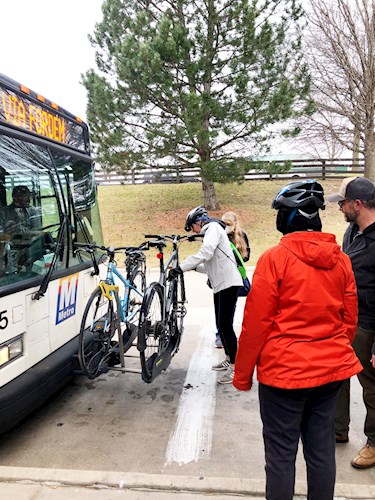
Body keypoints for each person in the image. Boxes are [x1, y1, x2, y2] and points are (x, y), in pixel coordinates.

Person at [233, 179, 362, 500]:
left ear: (287, 219)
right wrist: (332, 350)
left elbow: (255, 324)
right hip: (328, 374)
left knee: (280, 456)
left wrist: (242, 374)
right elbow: (350, 318)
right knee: (321, 452)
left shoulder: (274, 259)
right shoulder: (341, 259)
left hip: (284, 376)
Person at [327, 177, 375, 469]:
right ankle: (336, 429)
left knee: (371, 386)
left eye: (342, 203)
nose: (340, 208)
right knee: (337, 374)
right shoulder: (351, 231)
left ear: (357, 204)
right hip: (345, 319)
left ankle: (374, 441)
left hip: (369, 324)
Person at [168, 206, 242, 384]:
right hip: (221, 285)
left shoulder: (213, 229)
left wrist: (181, 267)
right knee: (221, 325)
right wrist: (190, 267)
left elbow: (206, 253)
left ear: (199, 222)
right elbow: (209, 265)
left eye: (192, 227)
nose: (193, 232)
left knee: (226, 325)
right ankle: (228, 358)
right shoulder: (213, 232)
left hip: (228, 284)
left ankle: (236, 367)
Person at [214, 211, 250, 348]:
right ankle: (220, 333)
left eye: (228, 224)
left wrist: (234, 258)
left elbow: (247, 256)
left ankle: (225, 336)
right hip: (220, 277)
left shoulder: (242, 235)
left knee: (227, 310)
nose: (225, 227)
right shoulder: (220, 235)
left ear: (234, 224)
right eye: (223, 224)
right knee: (219, 308)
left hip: (234, 278)